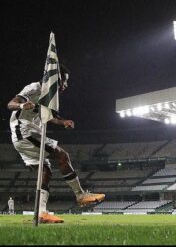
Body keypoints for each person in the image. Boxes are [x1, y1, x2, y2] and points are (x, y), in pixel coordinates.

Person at [8, 64, 105, 223]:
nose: (66, 85)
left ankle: (41, 213)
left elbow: (47, 117)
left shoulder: (48, 96)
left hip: (26, 134)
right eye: (64, 81)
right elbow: (11, 103)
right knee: (62, 155)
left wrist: (62, 122)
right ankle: (80, 195)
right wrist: (21, 105)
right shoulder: (34, 88)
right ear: (56, 79)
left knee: (45, 171)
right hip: (25, 132)